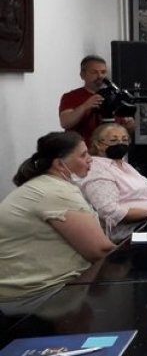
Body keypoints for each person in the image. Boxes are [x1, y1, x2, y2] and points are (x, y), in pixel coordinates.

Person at [0, 131, 116, 312]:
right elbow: (99, 250)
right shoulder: (55, 191)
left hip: (37, 288)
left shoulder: (48, 185)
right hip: (36, 294)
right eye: (83, 155)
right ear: (60, 164)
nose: (90, 159)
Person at [81, 123, 147, 241]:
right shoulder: (97, 169)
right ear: (98, 144)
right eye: (113, 140)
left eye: (124, 140)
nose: (120, 143)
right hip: (132, 233)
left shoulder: (125, 165)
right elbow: (110, 212)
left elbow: (142, 196)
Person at [59, 55, 135, 145]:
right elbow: (65, 123)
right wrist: (85, 106)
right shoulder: (71, 96)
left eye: (103, 72)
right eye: (94, 72)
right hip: (84, 149)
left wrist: (130, 126)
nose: (100, 76)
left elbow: (125, 129)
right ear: (82, 75)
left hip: (112, 150)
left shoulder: (114, 96)